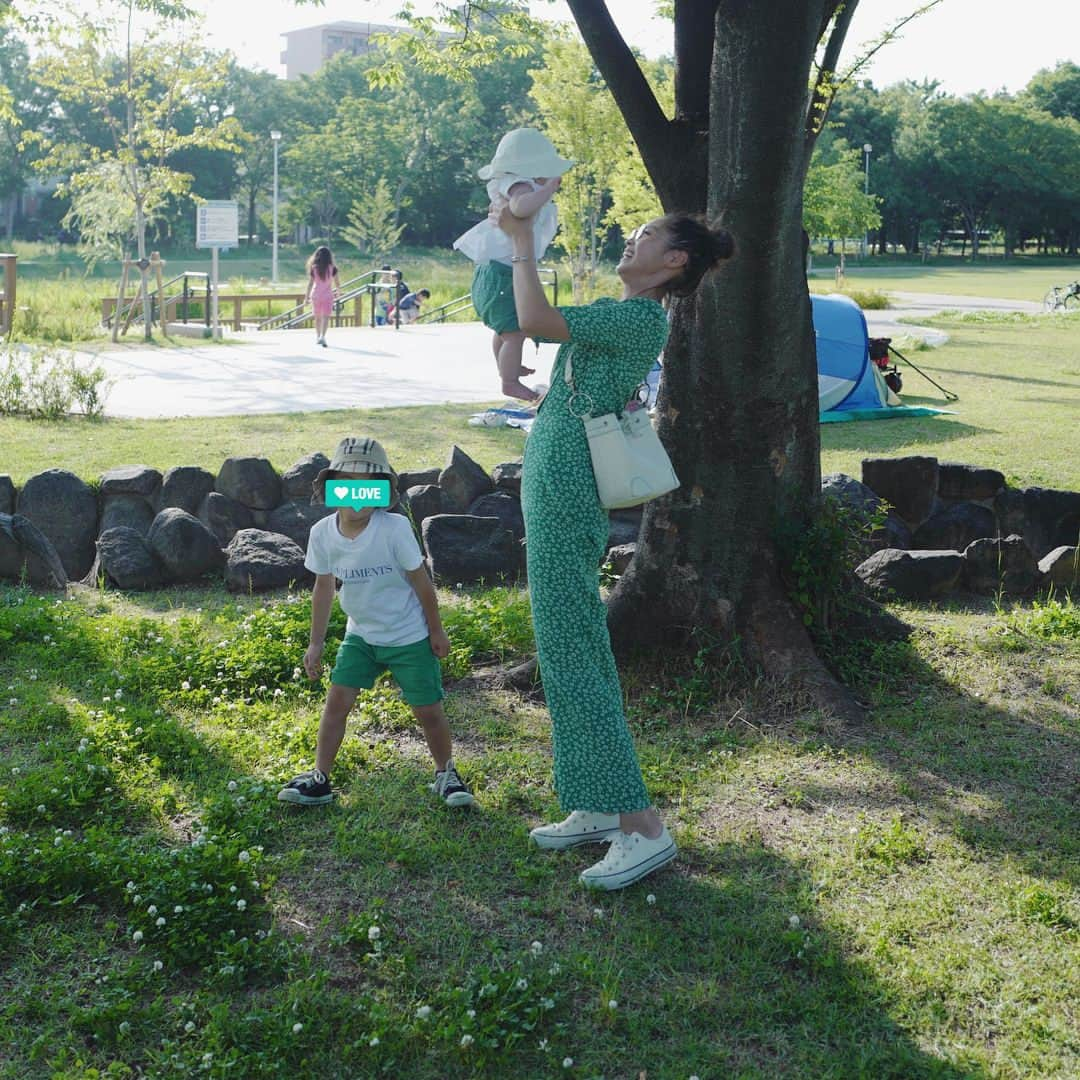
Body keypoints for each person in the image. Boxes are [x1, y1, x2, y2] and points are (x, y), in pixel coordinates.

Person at [494, 205, 734, 890]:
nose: (634, 239)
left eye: (648, 236)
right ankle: (596, 805)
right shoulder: (616, 309)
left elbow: (537, 318)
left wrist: (520, 242)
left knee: (574, 647)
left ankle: (642, 825)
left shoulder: (638, 318)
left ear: (674, 261)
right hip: (553, 472)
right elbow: (528, 326)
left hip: (570, 482)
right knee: (563, 642)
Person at [277, 436, 474, 809]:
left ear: (383, 491)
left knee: (428, 710)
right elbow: (323, 588)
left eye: (370, 485)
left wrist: (436, 629)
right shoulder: (322, 534)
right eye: (348, 484)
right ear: (331, 487)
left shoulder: (395, 528)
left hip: (409, 636)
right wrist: (316, 642)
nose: (358, 494)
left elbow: (421, 582)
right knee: (336, 703)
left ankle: (446, 774)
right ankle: (320, 779)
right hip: (361, 636)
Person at [453, 128, 573, 402]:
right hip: (503, 274)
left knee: (506, 330)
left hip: (496, 272)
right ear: (533, 168)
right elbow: (519, 208)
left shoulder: (514, 183)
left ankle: (508, 366)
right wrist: (546, 190)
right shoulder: (520, 184)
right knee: (514, 332)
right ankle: (509, 380)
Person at [304, 245, 340, 347]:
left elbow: (310, 284)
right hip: (327, 295)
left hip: (316, 295)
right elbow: (337, 283)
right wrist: (338, 292)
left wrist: (306, 298)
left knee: (317, 317)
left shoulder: (314, 268)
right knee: (326, 317)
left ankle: (317, 336)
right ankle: (322, 336)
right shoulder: (333, 268)